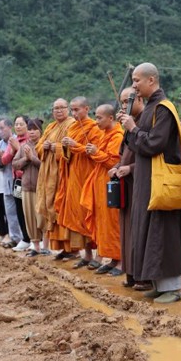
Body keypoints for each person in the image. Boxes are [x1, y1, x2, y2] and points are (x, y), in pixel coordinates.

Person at [117, 63, 181, 304]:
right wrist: (129, 130)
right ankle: (159, 284)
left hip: (162, 182)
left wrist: (133, 128)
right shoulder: (149, 108)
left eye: (137, 80)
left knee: (163, 231)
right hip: (147, 181)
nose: (134, 85)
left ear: (151, 80)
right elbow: (138, 144)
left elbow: (154, 144)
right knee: (148, 230)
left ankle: (172, 287)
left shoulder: (163, 108)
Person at [58, 97, 104, 267]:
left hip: (89, 176)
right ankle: (87, 254)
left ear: (86, 108)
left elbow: (95, 151)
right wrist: (65, 147)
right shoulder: (73, 127)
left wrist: (75, 145)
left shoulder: (94, 127)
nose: (74, 113)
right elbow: (67, 155)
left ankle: (100, 255)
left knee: (92, 214)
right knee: (78, 216)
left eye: (77, 110)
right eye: (72, 110)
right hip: (74, 177)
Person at [81, 104, 125, 274]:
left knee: (114, 223)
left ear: (111, 118)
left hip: (112, 185)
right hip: (100, 184)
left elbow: (113, 162)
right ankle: (112, 259)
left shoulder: (117, 136)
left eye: (99, 118)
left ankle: (121, 260)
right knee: (104, 223)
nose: (96, 121)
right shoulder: (105, 134)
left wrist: (96, 152)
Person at [109, 86, 146, 287]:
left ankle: (142, 276)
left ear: (139, 99)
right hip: (126, 185)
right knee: (126, 230)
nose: (124, 106)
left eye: (127, 101)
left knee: (138, 230)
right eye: (122, 102)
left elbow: (151, 154)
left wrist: (130, 168)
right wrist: (116, 167)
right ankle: (131, 273)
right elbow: (123, 153)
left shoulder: (144, 122)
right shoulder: (127, 126)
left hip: (140, 183)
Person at [36, 99, 76, 257]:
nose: (59, 111)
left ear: (68, 109)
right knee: (52, 209)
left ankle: (72, 249)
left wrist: (56, 147)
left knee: (63, 209)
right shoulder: (51, 126)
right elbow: (38, 146)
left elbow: (74, 147)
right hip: (48, 175)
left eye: (62, 108)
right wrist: (44, 147)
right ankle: (63, 248)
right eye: (55, 108)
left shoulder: (71, 124)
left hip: (63, 174)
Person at [0, 117, 28, 251]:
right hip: (9, 182)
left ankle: (28, 238)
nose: (0, 131)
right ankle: (16, 238)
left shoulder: (17, 140)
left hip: (23, 180)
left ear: (9, 127)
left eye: (2, 128)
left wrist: (13, 151)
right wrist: (2, 159)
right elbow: (0, 164)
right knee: (12, 212)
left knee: (24, 210)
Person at [12, 118, 45, 255]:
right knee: (29, 216)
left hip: (41, 186)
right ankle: (35, 245)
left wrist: (33, 158)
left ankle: (45, 245)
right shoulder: (24, 146)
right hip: (26, 187)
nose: (32, 132)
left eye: (35, 129)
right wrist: (26, 158)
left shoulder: (44, 146)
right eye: (30, 129)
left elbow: (46, 166)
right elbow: (15, 164)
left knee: (41, 216)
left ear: (40, 131)